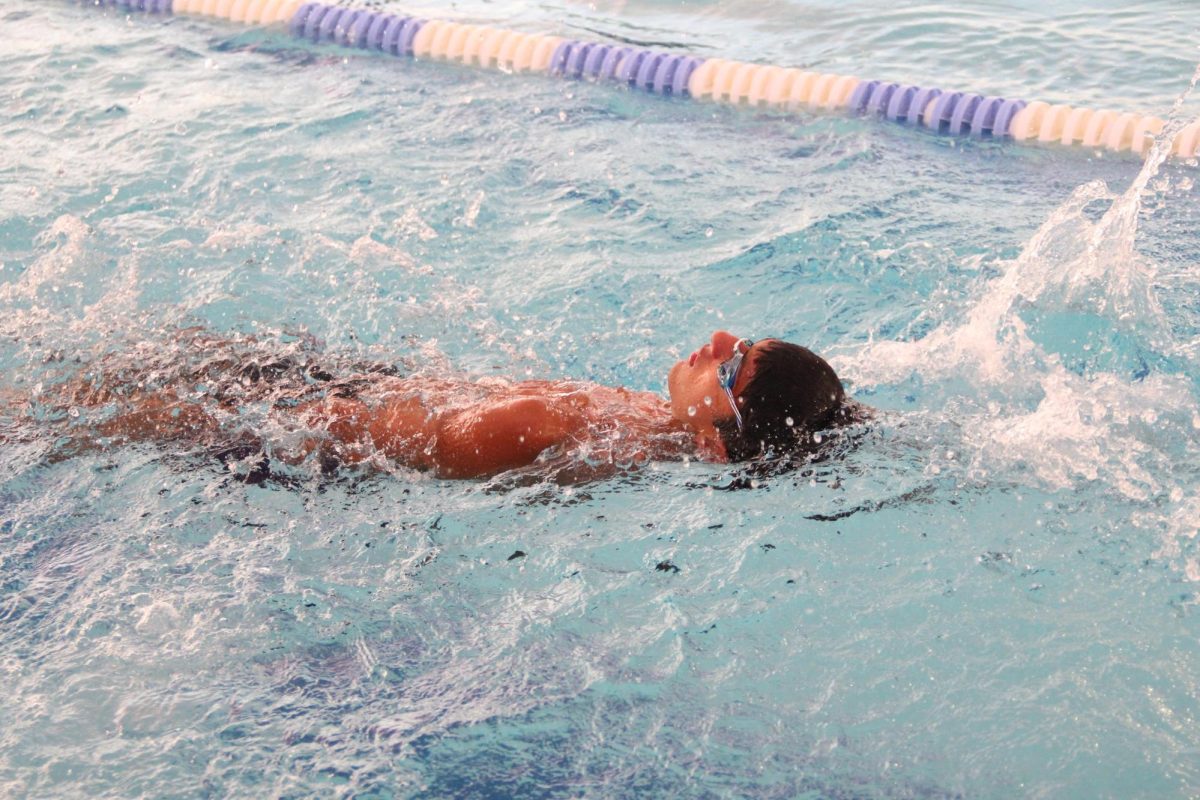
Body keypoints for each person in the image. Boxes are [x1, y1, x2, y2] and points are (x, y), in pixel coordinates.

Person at [12, 329, 863, 481]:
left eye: (734, 363)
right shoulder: (629, 429)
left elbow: (349, 438)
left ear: (716, 444)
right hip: (355, 401)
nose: (716, 341)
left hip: (304, 437)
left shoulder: (548, 427)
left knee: (103, 402)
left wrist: (240, 410)